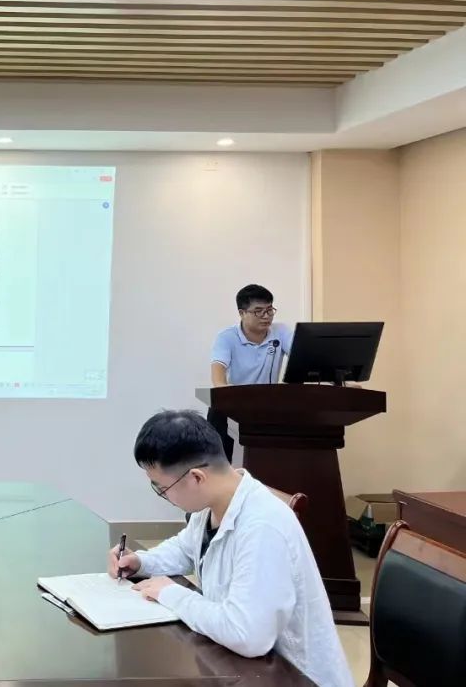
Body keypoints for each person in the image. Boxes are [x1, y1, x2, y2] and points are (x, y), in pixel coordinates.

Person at [109, 411, 352, 687]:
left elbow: (247, 635)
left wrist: (171, 593)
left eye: (163, 488)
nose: (164, 496)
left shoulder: (263, 525)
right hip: (248, 670)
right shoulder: (215, 502)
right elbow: (185, 549)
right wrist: (140, 562)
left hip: (293, 677)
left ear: (196, 477)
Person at [208, 284, 293, 461]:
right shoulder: (227, 337)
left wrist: (338, 379)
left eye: (269, 310)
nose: (266, 316)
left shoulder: (281, 331)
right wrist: (225, 390)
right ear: (242, 313)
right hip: (238, 401)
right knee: (216, 409)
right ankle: (218, 466)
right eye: (258, 311)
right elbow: (218, 373)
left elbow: (304, 358)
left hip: (270, 401)